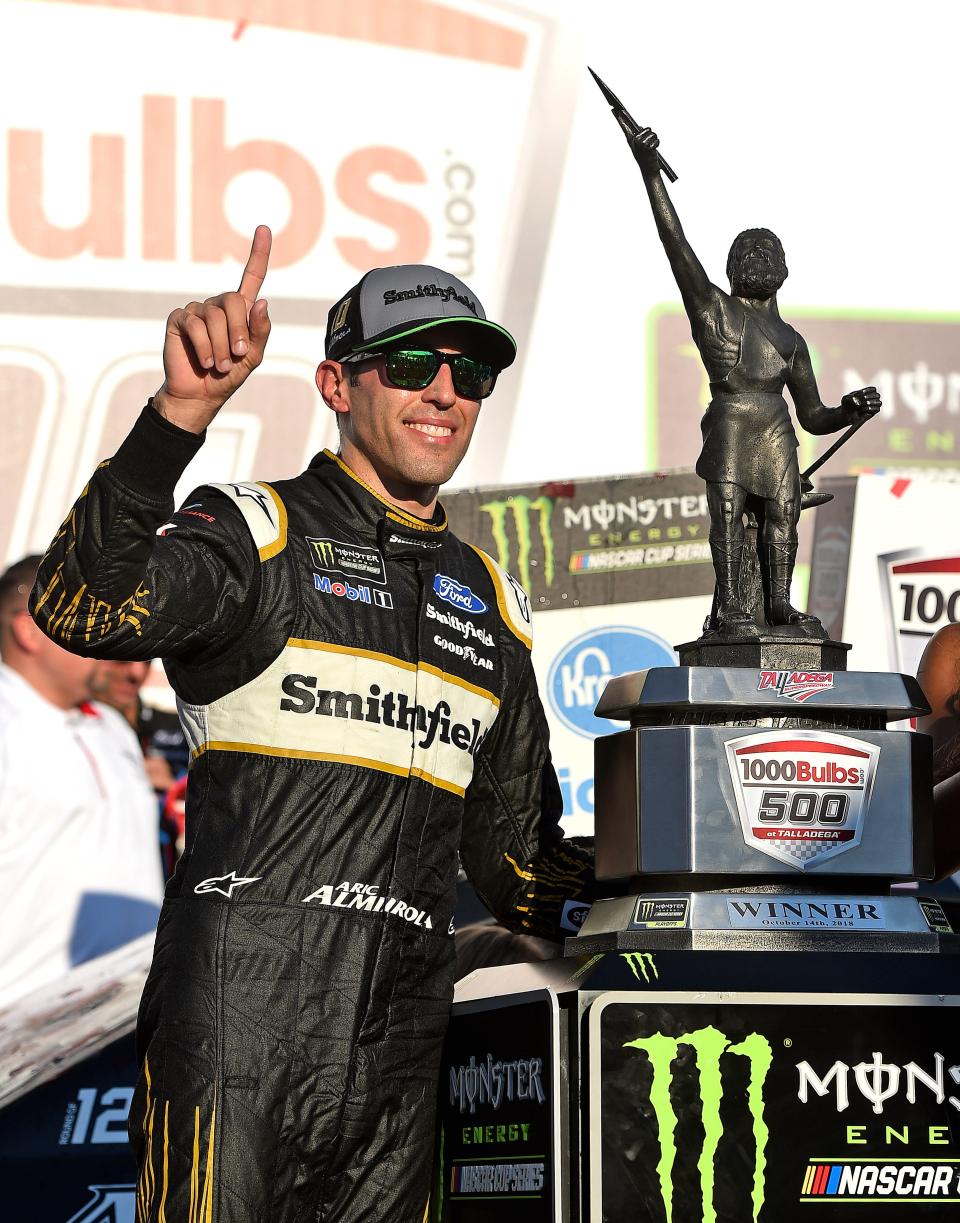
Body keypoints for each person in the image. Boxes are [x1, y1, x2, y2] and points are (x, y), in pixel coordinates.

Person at [30, 228, 594, 1222]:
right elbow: (80, 605)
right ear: (337, 384)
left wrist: (701, 889)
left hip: (398, 1048)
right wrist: (179, 418)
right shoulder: (257, 530)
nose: (444, 391)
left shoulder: (489, 600)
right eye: (413, 361)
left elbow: (520, 867)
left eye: (471, 371)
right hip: (238, 1027)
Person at [628, 126, 881, 630]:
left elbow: (812, 416)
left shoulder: (791, 340)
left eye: (768, 252)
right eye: (750, 252)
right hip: (730, 423)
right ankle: (729, 608)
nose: (759, 258)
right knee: (726, 514)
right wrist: (650, 170)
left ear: (784, 269)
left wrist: (848, 410)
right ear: (732, 267)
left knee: (784, 512)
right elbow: (673, 240)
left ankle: (780, 604)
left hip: (776, 431)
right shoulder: (713, 309)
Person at [0, 556, 164, 1008]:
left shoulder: (112, 729)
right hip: (19, 1029)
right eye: (86, 617)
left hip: (113, 1022)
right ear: (29, 631)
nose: (103, 634)